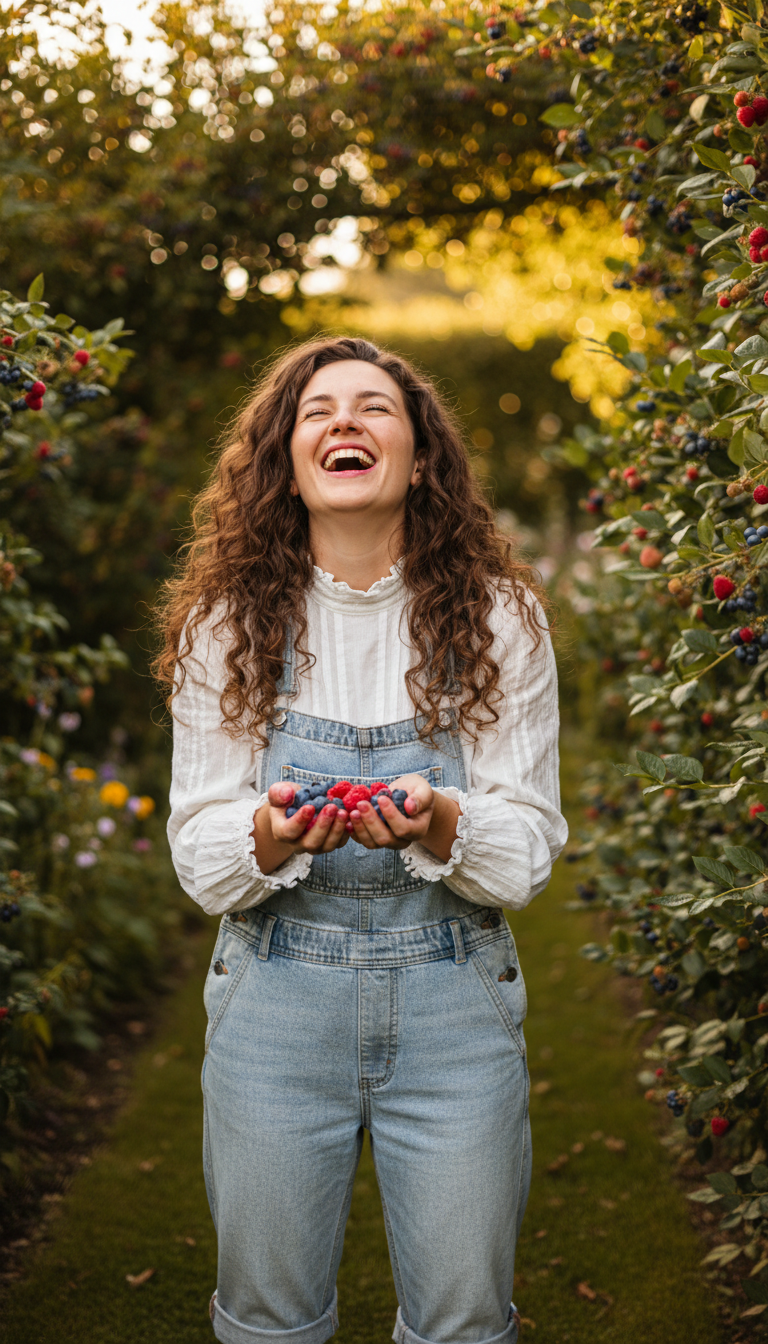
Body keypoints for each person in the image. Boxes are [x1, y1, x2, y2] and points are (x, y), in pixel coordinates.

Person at [155, 336, 567, 1344]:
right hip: (276, 999)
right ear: (285, 462)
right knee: (267, 1319)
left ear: (421, 457)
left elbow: (526, 847)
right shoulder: (225, 625)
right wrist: (269, 833)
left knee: (467, 1321)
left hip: (453, 997)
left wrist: (437, 819)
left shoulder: (501, 619)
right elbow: (199, 849)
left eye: (375, 407)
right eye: (318, 411)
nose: (345, 421)